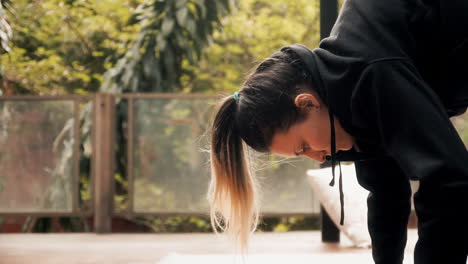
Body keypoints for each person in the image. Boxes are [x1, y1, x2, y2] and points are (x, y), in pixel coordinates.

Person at [207, 0, 468, 263]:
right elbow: (387, 192)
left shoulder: (370, 71)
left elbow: (448, 179)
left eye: (304, 146)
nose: (319, 158)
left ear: (307, 103)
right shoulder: (345, 96)